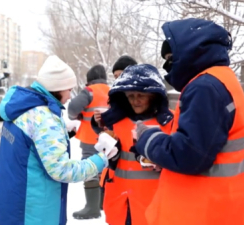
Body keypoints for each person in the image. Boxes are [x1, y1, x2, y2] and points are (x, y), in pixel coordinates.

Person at [132, 18, 244, 225]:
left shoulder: (204, 88)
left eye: (172, 57)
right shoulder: (222, 79)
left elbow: (188, 155)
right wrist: (165, 159)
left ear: (190, 51)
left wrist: (147, 138)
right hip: (221, 208)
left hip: (201, 213)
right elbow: (206, 149)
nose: (167, 65)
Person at [0, 55, 115, 225]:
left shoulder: (22, 108)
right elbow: (62, 170)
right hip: (34, 213)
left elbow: (31, 144)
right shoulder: (45, 119)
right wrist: (102, 158)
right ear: (58, 88)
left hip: (12, 205)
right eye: (69, 89)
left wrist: (63, 134)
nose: (70, 95)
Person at [93, 64, 174, 225]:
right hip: (121, 203)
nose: (135, 101)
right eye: (131, 96)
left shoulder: (170, 124)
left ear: (153, 96)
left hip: (154, 205)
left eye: (141, 96)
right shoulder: (116, 123)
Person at [68, 65, 110, 219]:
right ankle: (101, 202)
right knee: (105, 169)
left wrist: (75, 116)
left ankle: (92, 208)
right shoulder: (111, 90)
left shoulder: (90, 91)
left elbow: (72, 108)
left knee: (90, 169)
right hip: (108, 138)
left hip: (90, 137)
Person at [98, 55, 138, 218]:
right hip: (113, 179)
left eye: (121, 75)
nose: (118, 80)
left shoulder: (142, 109)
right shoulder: (113, 108)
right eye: (115, 77)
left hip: (137, 188)